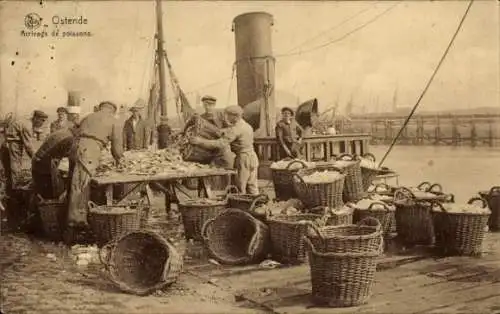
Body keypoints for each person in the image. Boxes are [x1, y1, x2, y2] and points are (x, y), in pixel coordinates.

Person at [65, 101, 124, 241]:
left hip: (76, 147)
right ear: (112, 110)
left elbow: (74, 130)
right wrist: (119, 159)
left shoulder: (89, 116)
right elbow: (117, 148)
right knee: (82, 186)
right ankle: (77, 225)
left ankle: (74, 221)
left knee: (74, 185)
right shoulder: (114, 121)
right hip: (89, 150)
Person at [190, 105, 259, 195]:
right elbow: (231, 130)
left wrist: (200, 141)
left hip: (243, 159)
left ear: (235, 116)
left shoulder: (236, 130)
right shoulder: (246, 126)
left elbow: (220, 144)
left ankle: (241, 207)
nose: (226, 117)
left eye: (228, 115)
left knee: (240, 187)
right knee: (252, 185)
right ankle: (258, 206)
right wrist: (222, 131)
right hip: (252, 157)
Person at [1, 110, 47, 232]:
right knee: (15, 170)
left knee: (14, 170)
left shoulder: (27, 123)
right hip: (12, 144)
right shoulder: (27, 125)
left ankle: (11, 195)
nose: (42, 123)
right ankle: (14, 200)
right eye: (41, 121)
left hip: (13, 143)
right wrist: (37, 160)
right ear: (36, 118)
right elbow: (28, 146)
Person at [32, 127, 77, 200]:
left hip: (37, 162)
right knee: (50, 195)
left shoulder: (62, 132)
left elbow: (56, 153)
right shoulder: (70, 139)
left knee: (40, 192)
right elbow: (70, 162)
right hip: (44, 166)